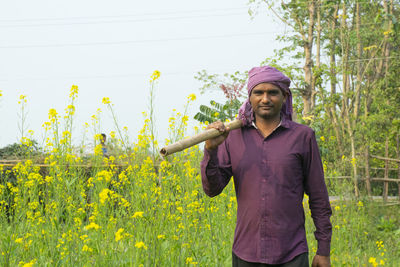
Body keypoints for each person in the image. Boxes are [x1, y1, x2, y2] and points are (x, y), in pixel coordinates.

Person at [200, 66, 332, 267]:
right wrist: (210, 149)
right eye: (258, 92)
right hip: (245, 252)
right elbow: (212, 189)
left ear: (284, 96)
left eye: (273, 93)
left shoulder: (303, 137)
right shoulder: (233, 137)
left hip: (291, 253)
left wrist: (323, 250)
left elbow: (318, 196)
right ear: (250, 97)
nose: (265, 99)